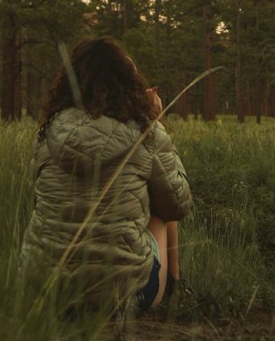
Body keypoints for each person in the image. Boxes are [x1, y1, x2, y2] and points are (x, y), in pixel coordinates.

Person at [20, 36, 192, 311]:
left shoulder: (47, 133)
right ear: (127, 83)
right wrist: (156, 122)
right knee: (161, 209)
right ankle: (176, 284)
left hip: (46, 294)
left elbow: (35, 198)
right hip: (123, 297)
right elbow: (178, 204)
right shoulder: (145, 131)